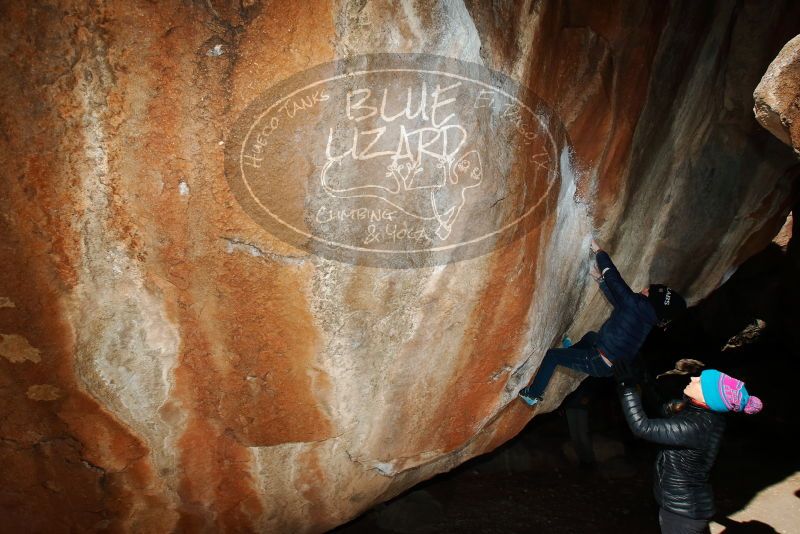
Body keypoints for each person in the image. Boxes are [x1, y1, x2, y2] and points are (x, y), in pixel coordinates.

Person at [518, 239, 686, 406]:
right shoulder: (646, 315)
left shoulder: (637, 304)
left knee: (552, 356)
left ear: (653, 300)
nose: (645, 289)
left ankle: (533, 394)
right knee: (591, 337)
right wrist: (600, 280)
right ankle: (572, 351)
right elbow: (620, 303)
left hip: (597, 360)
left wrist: (599, 252)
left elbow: (614, 279)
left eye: (650, 290)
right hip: (608, 363)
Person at [614, 361, 763, 534]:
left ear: (708, 398)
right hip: (687, 506)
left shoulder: (696, 427)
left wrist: (627, 387)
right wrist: (645, 382)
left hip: (682, 515)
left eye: (700, 381)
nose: (693, 378)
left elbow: (642, 427)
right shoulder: (704, 414)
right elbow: (664, 408)